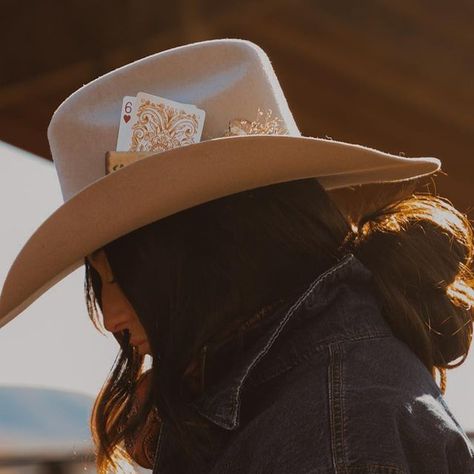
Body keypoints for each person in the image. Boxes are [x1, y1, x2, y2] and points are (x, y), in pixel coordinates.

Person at [0, 39, 473, 474]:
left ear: (213, 254)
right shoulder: (323, 400)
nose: (111, 316)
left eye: (122, 276)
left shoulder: (329, 426)